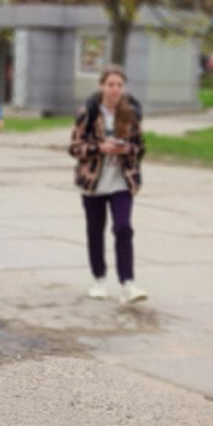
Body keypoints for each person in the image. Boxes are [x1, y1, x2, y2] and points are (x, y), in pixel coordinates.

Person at [69, 65, 148, 304]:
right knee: (95, 230)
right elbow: (74, 147)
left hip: (122, 181)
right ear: (102, 86)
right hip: (93, 183)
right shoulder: (89, 113)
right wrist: (99, 148)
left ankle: (128, 284)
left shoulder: (131, 113)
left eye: (119, 85)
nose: (115, 89)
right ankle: (99, 280)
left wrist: (126, 149)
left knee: (123, 228)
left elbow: (141, 147)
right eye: (110, 84)